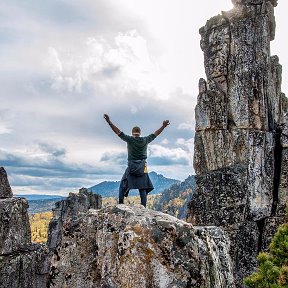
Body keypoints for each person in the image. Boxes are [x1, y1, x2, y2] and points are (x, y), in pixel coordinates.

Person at [103, 114, 170, 207]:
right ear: (140, 133)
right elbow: (156, 133)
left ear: (132, 133)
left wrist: (109, 122)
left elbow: (118, 132)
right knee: (143, 186)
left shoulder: (129, 139)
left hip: (132, 166)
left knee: (123, 184)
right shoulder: (145, 140)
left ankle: (121, 204)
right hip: (143, 166)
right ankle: (144, 206)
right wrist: (163, 126)